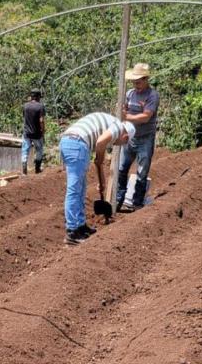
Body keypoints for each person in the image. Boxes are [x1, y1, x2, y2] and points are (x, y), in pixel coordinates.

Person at [60, 112, 135, 244]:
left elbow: (99, 156)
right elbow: (100, 143)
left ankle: (80, 226)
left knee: (81, 188)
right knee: (74, 190)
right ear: (126, 136)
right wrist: (100, 158)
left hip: (73, 142)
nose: (118, 144)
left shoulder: (111, 124)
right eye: (123, 143)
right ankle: (72, 231)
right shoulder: (118, 127)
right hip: (76, 143)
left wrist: (102, 178)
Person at [116, 63, 160, 212]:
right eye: (134, 82)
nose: (136, 85)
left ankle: (137, 202)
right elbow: (122, 111)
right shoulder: (129, 94)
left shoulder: (152, 95)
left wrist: (127, 116)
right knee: (122, 168)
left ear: (146, 79)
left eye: (139, 82)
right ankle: (118, 200)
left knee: (142, 172)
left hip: (145, 138)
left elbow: (146, 117)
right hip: (129, 137)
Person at [21, 89, 46, 175]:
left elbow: (24, 118)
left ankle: (24, 170)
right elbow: (41, 120)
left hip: (26, 133)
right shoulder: (40, 106)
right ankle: (37, 169)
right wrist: (43, 131)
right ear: (38, 97)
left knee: (25, 150)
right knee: (39, 149)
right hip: (37, 134)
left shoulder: (25, 106)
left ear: (31, 96)